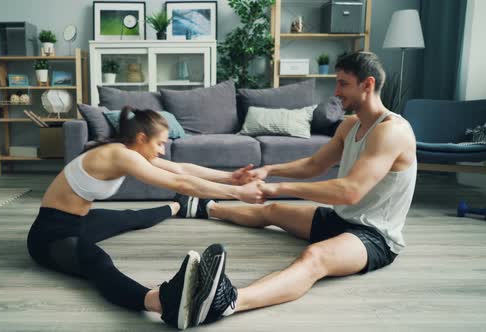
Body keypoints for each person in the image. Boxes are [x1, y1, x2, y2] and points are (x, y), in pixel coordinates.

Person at [176, 51, 418, 326]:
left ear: (368, 84)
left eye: (343, 84)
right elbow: (314, 165)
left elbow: (350, 191)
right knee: (274, 211)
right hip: (342, 219)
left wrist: (277, 188)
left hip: (375, 236)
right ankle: (205, 207)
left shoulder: (391, 131)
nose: (336, 92)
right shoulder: (351, 125)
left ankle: (229, 301)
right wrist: (270, 170)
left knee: (314, 257)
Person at [26, 106, 263, 330]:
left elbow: (181, 170)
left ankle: (178, 207)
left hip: (79, 221)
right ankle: (161, 301)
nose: (162, 150)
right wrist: (239, 193)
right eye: (159, 143)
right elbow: (180, 182)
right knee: (97, 262)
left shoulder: (126, 150)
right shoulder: (119, 154)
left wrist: (230, 178)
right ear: (141, 138)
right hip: (51, 236)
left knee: (129, 218)